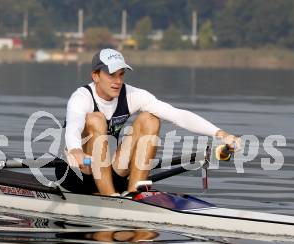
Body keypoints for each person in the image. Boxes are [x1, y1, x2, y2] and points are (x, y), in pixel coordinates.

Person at [56, 48, 240, 196]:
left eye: (121, 75)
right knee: (96, 119)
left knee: (149, 119)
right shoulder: (81, 97)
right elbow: (74, 125)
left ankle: (136, 193)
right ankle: (110, 198)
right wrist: (75, 150)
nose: (118, 81)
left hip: (108, 171)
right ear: (95, 76)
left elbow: (177, 115)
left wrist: (221, 134)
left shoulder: (132, 95)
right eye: (111, 75)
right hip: (78, 173)